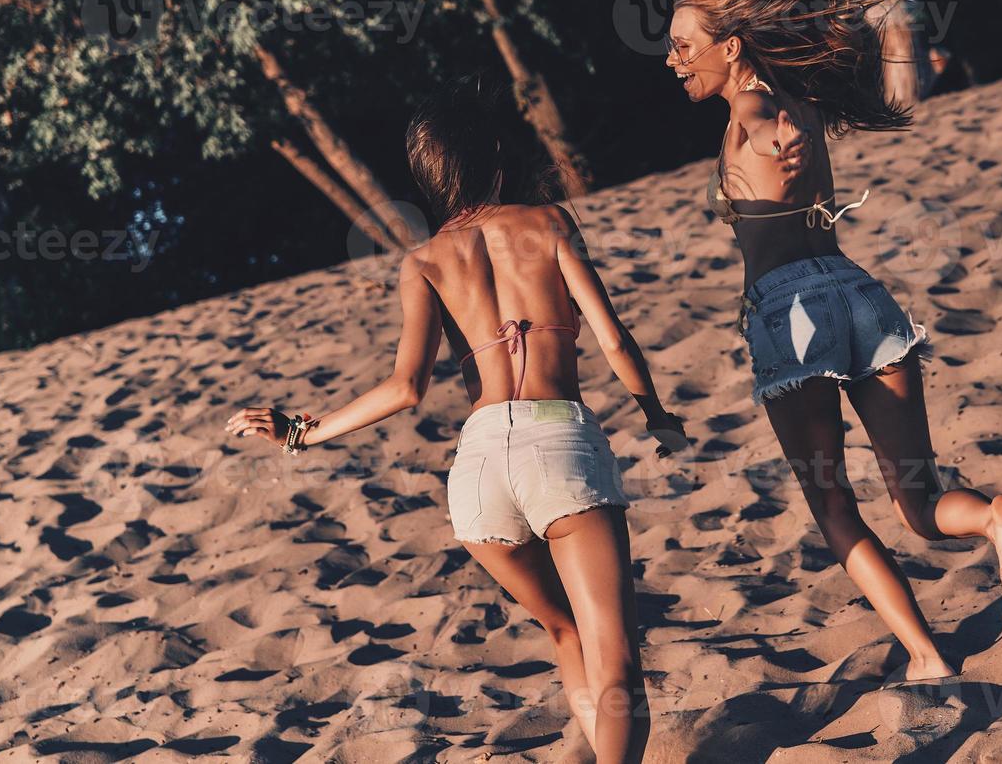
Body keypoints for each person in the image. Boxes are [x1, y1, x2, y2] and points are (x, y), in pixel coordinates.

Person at [664, 0, 1002, 681]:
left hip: (790, 316)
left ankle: (927, 657)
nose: (673, 58)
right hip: (859, 294)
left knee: (834, 508)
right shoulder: (789, 87)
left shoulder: (754, 111)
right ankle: (997, 519)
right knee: (918, 501)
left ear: (731, 47)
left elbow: (743, 2)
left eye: (685, 44)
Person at [225, 79, 686, 763]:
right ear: (497, 150)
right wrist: (656, 414)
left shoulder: (424, 261)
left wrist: (303, 432)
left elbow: (405, 387)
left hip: (477, 474)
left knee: (565, 633)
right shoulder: (550, 223)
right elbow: (614, 339)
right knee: (616, 662)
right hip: (557, 441)